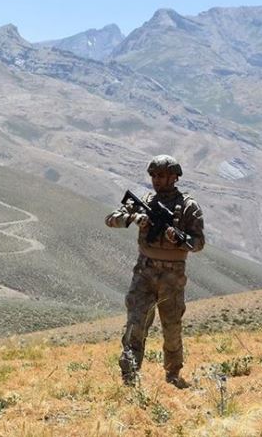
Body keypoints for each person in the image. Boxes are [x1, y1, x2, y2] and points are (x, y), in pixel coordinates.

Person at [105, 155, 205, 388]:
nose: (157, 180)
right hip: (145, 272)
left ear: (174, 177)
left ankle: (173, 375)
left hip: (172, 276)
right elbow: (111, 219)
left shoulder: (189, 207)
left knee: (171, 327)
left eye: (161, 175)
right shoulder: (145, 201)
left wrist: (180, 240)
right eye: (154, 175)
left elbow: (198, 243)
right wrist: (133, 217)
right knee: (135, 324)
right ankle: (129, 376)